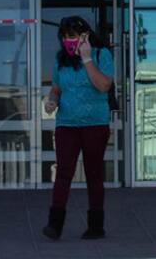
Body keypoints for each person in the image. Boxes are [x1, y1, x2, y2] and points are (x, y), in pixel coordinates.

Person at [42, 15, 114, 240]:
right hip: (67, 124)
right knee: (63, 172)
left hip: (95, 124)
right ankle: (55, 225)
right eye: (64, 36)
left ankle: (96, 226)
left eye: (71, 36)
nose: (67, 40)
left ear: (84, 35)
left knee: (93, 173)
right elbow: (56, 88)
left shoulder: (102, 55)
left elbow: (104, 85)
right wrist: (51, 101)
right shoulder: (60, 61)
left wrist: (87, 58)